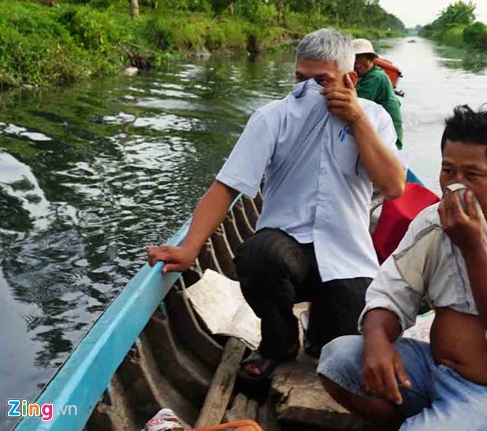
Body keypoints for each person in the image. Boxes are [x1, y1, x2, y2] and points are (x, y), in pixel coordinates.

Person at [147, 28, 405, 381]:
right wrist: (190, 248)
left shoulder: (374, 119)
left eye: (320, 81)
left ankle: (319, 327)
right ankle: (278, 342)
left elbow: (393, 187)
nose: (305, 90)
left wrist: (356, 120)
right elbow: (226, 187)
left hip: (346, 254)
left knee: (340, 350)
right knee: (258, 255)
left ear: (349, 79)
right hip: (288, 250)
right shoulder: (274, 117)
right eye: (299, 78)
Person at [317, 104, 487, 430]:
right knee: (338, 360)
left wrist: (472, 246)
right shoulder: (431, 221)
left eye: (473, 175)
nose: (455, 186)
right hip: (429, 370)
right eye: (448, 171)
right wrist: (377, 343)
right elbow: (392, 290)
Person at [353, 38, 404, 149]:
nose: (357, 63)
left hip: (390, 134)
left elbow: (354, 104)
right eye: (354, 58)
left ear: (371, 59)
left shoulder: (376, 77)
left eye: (361, 58)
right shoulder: (366, 75)